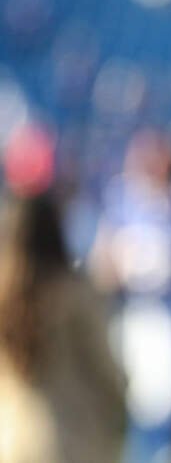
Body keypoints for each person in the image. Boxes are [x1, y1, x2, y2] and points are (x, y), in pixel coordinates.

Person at [0, 193, 126, 463]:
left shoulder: (5, 297)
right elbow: (104, 370)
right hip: (73, 439)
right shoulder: (75, 295)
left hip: (12, 441)